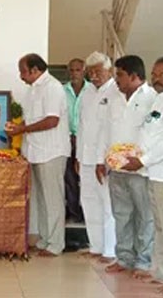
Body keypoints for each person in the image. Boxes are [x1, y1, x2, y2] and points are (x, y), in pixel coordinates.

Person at [121, 57, 163, 293]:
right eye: (154, 74)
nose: (157, 79)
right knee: (160, 226)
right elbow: (150, 135)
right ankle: (161, 271)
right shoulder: (159, 99)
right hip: (154, 174)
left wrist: (142, 160)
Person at [6, 53, 71, 257]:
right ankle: (44, 240)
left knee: (53, 200)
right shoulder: (33, 89)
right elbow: (32, 119)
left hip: (51, 151)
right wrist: (18, 127)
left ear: (35, 70)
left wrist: (23, 130)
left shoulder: (52, 87)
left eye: (23, 72)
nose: (21, 76)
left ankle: (55, 244)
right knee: (42, 200)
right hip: (35, 151)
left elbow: (52, 120)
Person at [101, 55, 156, 277]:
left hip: (141, 170)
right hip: (117, 169)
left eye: (120, 75)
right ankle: (124, 258)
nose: (116, 79)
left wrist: (143, 160)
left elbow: (156, 135)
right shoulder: (114, 98)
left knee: (145, 217)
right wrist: (103, 160)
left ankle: (144, 262)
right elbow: (106, 131)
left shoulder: (153, 99)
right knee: (121, 215)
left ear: (134, 76)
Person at [76, 52, 117, 262]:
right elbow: (82, 127)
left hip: (104, 160)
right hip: (85, 157)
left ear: (109, 70)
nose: (94, 76)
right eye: (90, 72)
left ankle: (110, 250)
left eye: (98, 71)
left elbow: (109, 131)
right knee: (88, 201)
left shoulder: (116, 91)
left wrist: (103, 160)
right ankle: (96, 246)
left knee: (107, 204)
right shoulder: (86, 92)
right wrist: (78, 157)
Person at [64, 58, 88, 223]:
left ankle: (86, 211)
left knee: (85, 177)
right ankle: (73, 212)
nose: (74, 73)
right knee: (69, 177)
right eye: (71, 70)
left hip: (86, 140)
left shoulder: (91, 91)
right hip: (66, 140)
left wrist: (80, 136)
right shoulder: (61, 91)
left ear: (84, 71)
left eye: (78, 70)